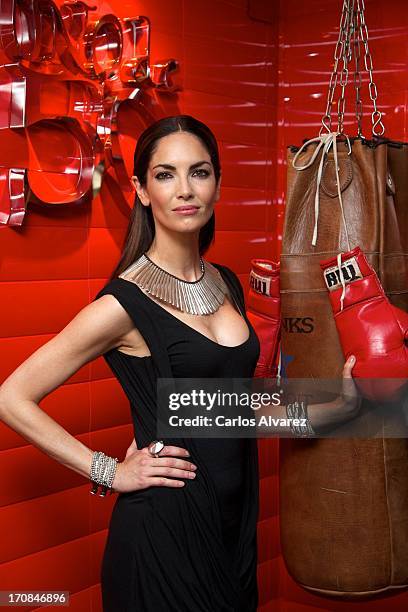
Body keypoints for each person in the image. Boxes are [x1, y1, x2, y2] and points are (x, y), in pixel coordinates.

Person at [0, 115, 359, 611]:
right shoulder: (122, 305)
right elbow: (12, 397)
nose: (185, 189)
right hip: (161, 534)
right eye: (165, 175)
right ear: (142, 191)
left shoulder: (228, 283)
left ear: (216, 185)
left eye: (200, 172)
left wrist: (337, 408)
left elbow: (236, 410)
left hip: (231, 530)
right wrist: (109, 471)